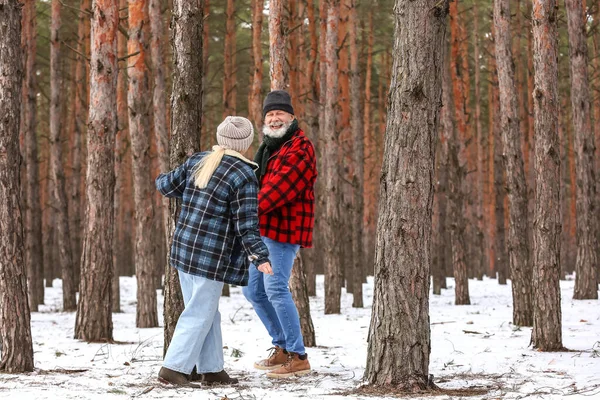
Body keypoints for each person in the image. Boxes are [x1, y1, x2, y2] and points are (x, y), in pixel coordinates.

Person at [156, 116, 273, 387]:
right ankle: (172, 368)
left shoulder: (199, 160)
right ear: (245, 143)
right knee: (199, 312)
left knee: (206, 311)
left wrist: (160, 178)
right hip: (210, 258)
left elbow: (166, 186)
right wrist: (260, 256)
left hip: (184, 251)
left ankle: (212, 369)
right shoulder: (243, 174)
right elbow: (246, 224)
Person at [243, 90, 317, 379]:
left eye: (279, 114)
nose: (274, 119)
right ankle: (283, 348)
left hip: (284, 231)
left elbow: (278, 190)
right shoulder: (270, 148)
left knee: (274, 289)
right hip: (264, 230)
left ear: (292, 117)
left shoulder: (300, 147)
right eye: (269, 114)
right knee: (253, 291)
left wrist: (244, 211)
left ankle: (298, 356)